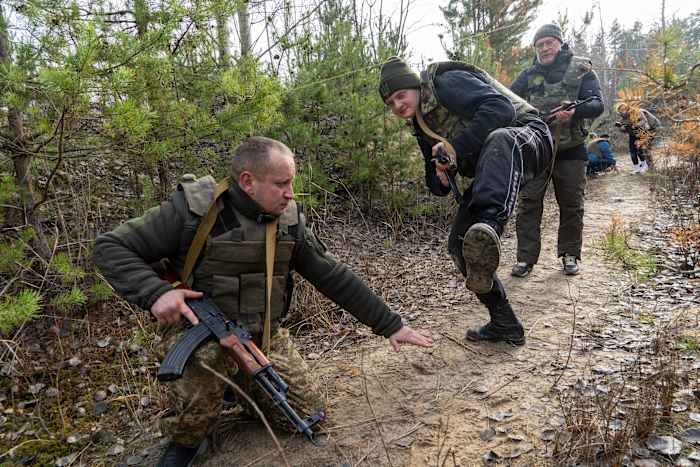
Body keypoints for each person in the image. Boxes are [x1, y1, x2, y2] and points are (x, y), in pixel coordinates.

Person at [93, 137, 433, 467]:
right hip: (197, 333)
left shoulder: (288, 221)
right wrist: (157, 292)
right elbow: (110, 247)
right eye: (281, 184)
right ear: (247, 181)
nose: (290, 193)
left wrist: (390, 324)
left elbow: (332, 276)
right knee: (205, 371)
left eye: (291, 182)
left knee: (308, 415)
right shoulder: (195, 209)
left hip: (260, 337)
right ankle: (188, 439)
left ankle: (236, 388)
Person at [378, 56, 553, 346]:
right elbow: (436, 183)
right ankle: (504, 323)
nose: (397, 105)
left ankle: (490, 226)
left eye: (400, 95)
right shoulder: (421, 124)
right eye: (390, 103)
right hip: (494, 163)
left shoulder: (445, 83)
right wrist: (441, 175)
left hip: (529, 135)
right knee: (460, 244)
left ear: (415, 86)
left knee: (500, 139)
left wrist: (455, 148)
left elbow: (500, 108)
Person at [509, 23, 604, 278]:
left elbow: (597, 104)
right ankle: (525, 259)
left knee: (572, 204)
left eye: (549, 42)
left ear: (560, 43)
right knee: (528, 204)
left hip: (571, 150)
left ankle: (570, 254)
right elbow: (508, 102)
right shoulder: (527, 75)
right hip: (536, 150)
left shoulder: (581, 69)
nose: (544, 48)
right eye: (539, 45)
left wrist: (574, 110)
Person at [615, 103, 660, 173]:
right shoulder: (623, 119)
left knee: (643, 148)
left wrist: (635, 125)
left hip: (651, 128)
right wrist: (622, 128)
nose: (622, 112)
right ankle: (645, 166)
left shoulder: (636, 112)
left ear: (627, 108)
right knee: (637, 149)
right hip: (637, 132)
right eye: (621, 111)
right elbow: (625, 130)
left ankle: (649, 167)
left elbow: (644, 121)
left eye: (623, 109)